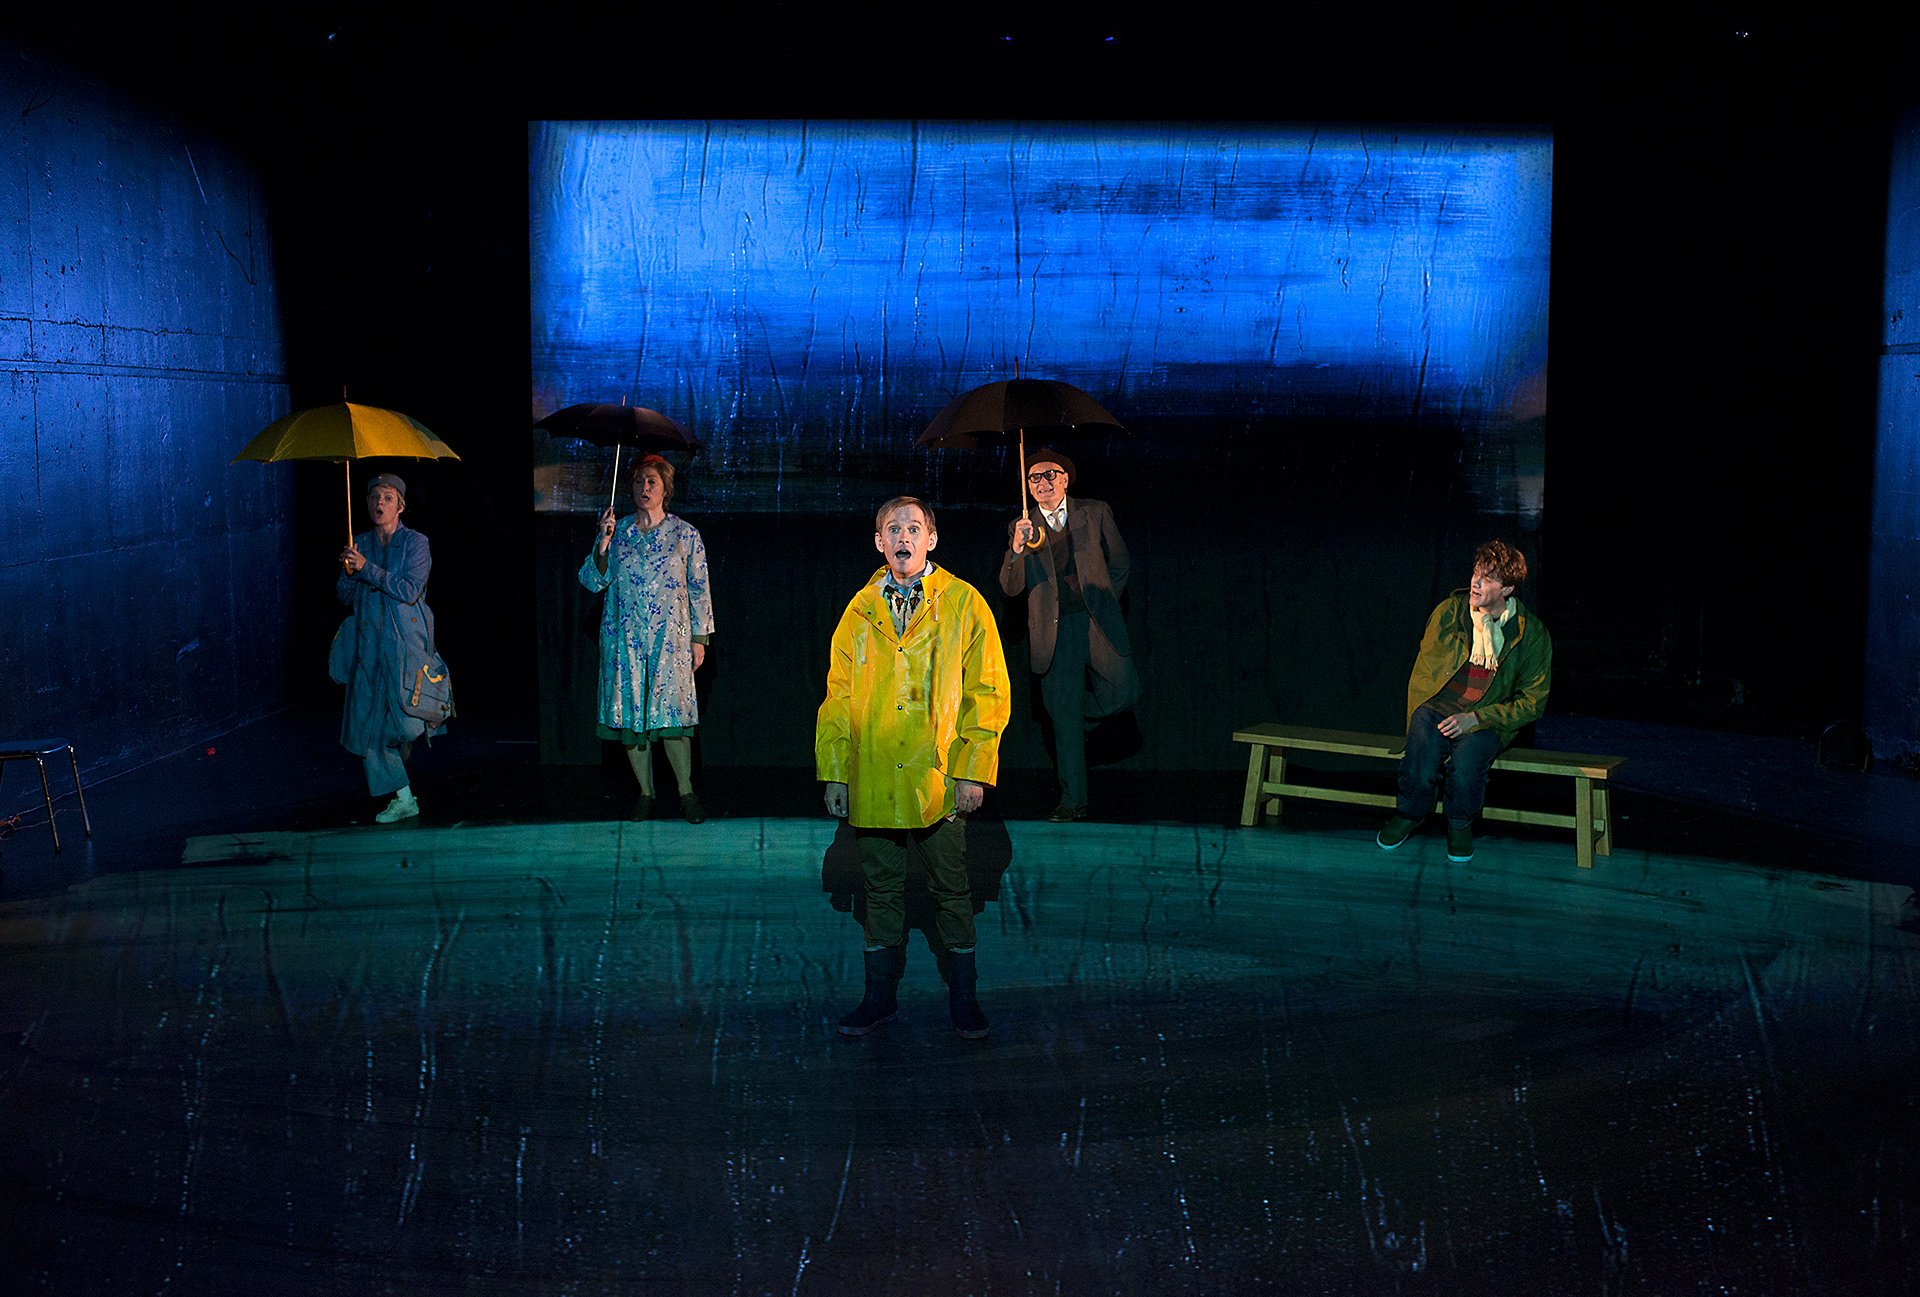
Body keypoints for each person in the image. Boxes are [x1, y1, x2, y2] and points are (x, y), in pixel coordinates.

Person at [816, 497, 1011, 1039]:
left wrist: (972, 768)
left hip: (937, 777)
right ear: (880, 542)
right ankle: (878, 999)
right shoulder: (860, 610)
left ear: (932, 539)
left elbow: (988, 690)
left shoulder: (964, 603)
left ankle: (964, 999)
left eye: (914, 527)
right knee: (879, 893)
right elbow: (838, 696)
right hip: (876, 776)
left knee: (952, 890)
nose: (904, 536)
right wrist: (836, 770)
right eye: (893, 528)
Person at [1377, 540, 1552, 863]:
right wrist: (1429, 705)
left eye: (1487, 579)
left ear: (1507, 589)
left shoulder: (1531, 634)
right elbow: (1427, 666)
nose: (1475, 582)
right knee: (1420, 758)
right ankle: (1409, 813)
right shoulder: (1450, 612)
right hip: (1439, 706)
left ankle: (1459, 822)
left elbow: (1533, 701)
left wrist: (1477, 718)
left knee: (1467, 766)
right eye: (1476, 573)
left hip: (1485, 716)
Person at [998, 449, 1140, 821]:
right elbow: (1011, 587)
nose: (1042, 482)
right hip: (1053, 631)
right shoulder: (1022, 526)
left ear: (1065, 479)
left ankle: (1075, 719)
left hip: (1095, 623)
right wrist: (1016, 548)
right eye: (1034, 477)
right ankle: (1073, 800)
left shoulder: (1095, 511)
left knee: (1125, 691)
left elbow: (1120, 561)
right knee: (1064, 720)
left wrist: (1106, 601)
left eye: (1050, 475)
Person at [578, 454, 714, 823]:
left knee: (672, 717)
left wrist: (699, 638)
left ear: (666, 489)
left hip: (670, 640)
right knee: (633, 717)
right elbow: (592, 581)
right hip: (626, 639)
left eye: (652, 481)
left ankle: (686, 793)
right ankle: (645, 793)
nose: (645, 487)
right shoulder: (617, 532)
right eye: (639, 481)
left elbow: (699, 588)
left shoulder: (685, 535)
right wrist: (602, 542)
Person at [336, 473, 443, 824]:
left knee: (406, 727)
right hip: (369, 650)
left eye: (387, 498)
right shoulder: (359, 543)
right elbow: (345, 597)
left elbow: (410, 590)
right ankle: (403, 797)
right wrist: (349, 574)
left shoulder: (415, 543)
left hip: (404, 650)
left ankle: (399, 746)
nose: (378, 503)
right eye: (373, 498)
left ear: (400, 506)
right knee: (367, 730)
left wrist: (367, 569)